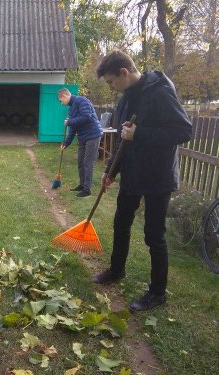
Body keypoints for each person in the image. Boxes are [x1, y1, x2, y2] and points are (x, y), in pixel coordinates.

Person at [93, 50, 192, 312]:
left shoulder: (160, 90)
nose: (111, 88)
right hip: (133, 173)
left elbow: (184, 131)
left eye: (111, 82)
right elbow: (124, 137)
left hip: (158, 177)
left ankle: (158, 293)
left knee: (153, 235)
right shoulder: (126, 99)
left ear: (124, 73)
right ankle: (116, 270)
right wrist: (111, 171)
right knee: (120, 223)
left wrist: (142, 133)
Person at [58, 88, 103, 197]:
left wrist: (70, 121)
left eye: (61, 100)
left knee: (87, 163)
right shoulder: (71, 109)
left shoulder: (81, 100)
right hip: (83, 137)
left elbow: (86, 116)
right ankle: (82, 185)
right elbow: (73, 128)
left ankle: (87, 190)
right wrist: (65, 143)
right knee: (80, 162)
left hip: (93, 135)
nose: (61, 103)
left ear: (65, 96)